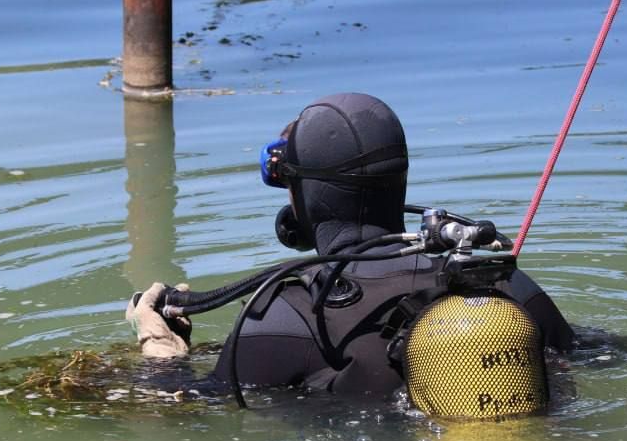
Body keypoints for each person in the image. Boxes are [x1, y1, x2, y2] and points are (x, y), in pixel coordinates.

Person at [126, 93, 575, 415]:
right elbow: (601, 355)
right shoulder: (497, 278)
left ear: (306, 195)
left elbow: (183, 414)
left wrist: (162, 350)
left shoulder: (287, 318)